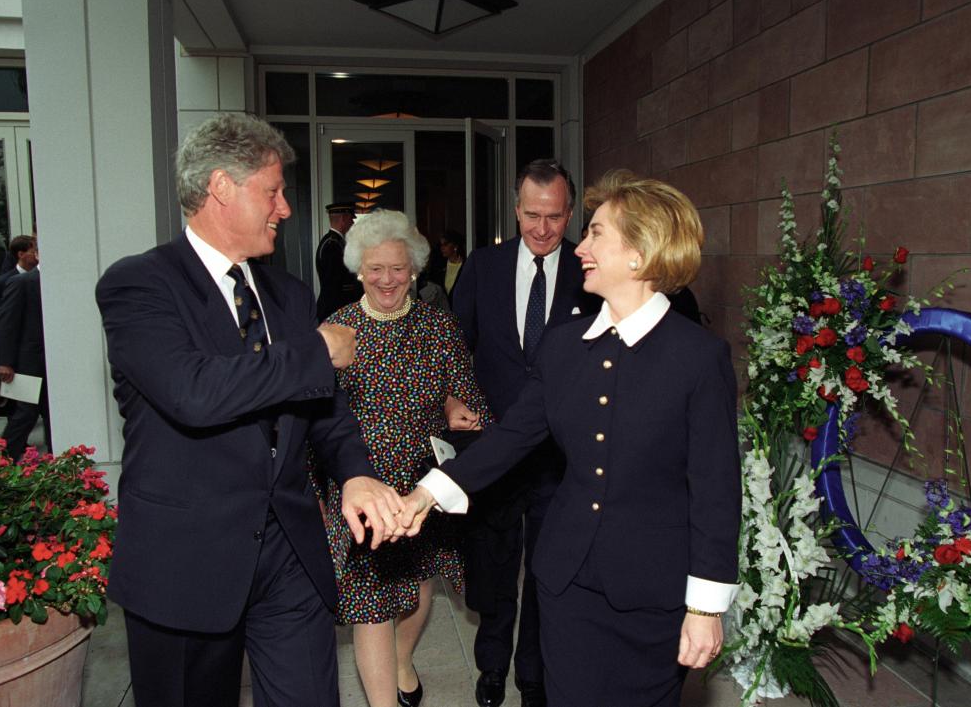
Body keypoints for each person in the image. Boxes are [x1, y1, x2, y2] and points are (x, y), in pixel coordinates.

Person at [94, 113, 407, 707]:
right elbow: (194, 392)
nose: (285, 208)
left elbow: (326, 411)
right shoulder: (139, 285)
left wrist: (357, 473)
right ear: (221, 188)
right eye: (273, 191)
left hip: (289, 551)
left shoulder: (287, 293)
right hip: (187, 561)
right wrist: (316, 350)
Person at [403, 169, 741, 707]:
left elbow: (717, 491)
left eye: (597, 233)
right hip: (565, 583)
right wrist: (427, 493)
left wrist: (705, 608)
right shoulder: (562, 348)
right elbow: (511, 435)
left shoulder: (697, 359)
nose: (579, 246)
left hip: (652, 593)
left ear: (640, 253)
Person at [314, 208, 492, 707]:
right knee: (371, 604)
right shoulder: (336, 329)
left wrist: (458, 406)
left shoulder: (439, 327)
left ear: (414, 268)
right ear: (357, 271)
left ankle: (403, 658)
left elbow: (464, 393)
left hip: (422, 483)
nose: (386, 279)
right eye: (375, 268)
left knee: (416, 589)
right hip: (361, 483)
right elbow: (314, 417)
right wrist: (318, 490)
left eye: (397, 268)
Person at [451, 158, 599, 707]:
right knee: (493, 567)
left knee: (547, 570)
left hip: (563, 455)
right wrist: (450, 396)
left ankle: (534, 674)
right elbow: (454, 347)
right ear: (516, 210)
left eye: (555, 218)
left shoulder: (592, 271)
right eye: (532, 215)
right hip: (495, 447)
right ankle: (491, 667)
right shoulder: (483, 267)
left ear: (570, 214)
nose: (542, 229)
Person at [0, 264, 48, 460]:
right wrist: (5, 362)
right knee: (26, 413)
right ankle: (2, 459)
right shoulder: (21, 282)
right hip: (28, 362)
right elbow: (7, 323)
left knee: (52, 413)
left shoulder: (58, 280)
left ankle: (56, 458)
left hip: (52, 362)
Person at [315, 202, 362, 321]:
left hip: (337, 308)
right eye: (351, 219)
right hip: (335, 310)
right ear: (343, 219)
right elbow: (334, 286)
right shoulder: (333, 245)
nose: (352, 223)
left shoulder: (335, 242)